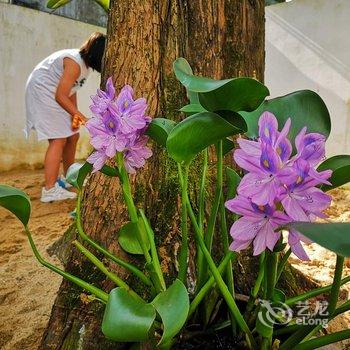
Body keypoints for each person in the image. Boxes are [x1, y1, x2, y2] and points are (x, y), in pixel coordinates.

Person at [24, 32, 106, 203]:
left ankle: (70, 178)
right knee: (58, 140)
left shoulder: (84, 67)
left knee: (73, 136)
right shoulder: (74, 63)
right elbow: (60, 95)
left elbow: (71, 91)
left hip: (53, 94)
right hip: (43, 91)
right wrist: (81, 116)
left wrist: (73, 116)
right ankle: (50, 190)